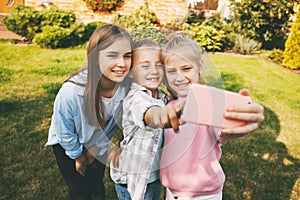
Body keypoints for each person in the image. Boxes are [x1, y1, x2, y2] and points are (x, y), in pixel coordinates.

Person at [159, 35, 265, 200]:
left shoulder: (209, 103)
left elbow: (221, 129)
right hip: (173, 192)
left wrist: (234, 125)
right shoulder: (168, 106)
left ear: (199, 67)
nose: (179, 77)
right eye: (172, 71)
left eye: (186, 69)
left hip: (205, 194)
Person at [45, 24, 134, 200]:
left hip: (97, 142)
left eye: (127, 56)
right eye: (112, 55)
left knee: (96, 185)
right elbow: (64, 130)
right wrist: (79, 157)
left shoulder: (125, 89)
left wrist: (94, 149)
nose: (122, 63)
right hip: (67, 144)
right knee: (78, 189)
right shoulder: (71, 92)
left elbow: (112, 125)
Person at [110, 39, 182, 200]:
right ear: (131, 72)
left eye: (158, 65)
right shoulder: (135, 98)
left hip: (154, 176)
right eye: (145, 66)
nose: (154, 71)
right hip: (133, 181)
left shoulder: (162, 96)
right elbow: (148, 113)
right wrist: (161, 115)